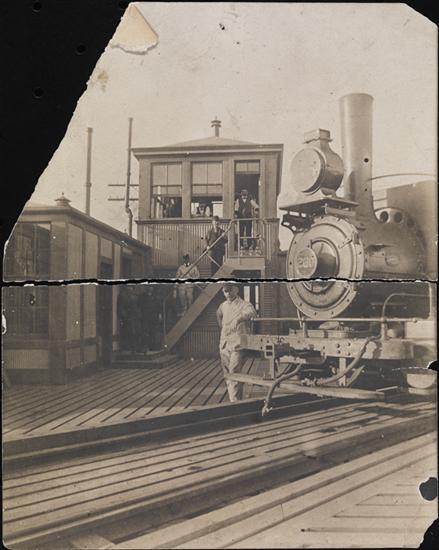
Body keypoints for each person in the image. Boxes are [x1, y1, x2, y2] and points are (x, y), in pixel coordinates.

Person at [216, 282, 257, 402]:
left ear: (236, 290)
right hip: (224, 344)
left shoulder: (244, 304)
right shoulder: (223, 305)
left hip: (237, 344)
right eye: (225, 291)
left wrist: (239, 319)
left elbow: (252, 313)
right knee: (228, 374)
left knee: (234, 371)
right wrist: (223, 328)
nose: (228, 293)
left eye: (230, 290)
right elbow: (218, 314)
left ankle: (234, 402)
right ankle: (234, 399)